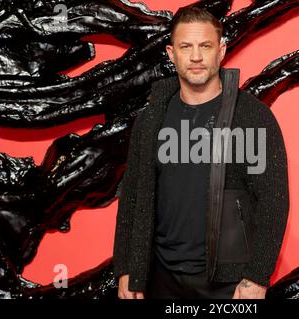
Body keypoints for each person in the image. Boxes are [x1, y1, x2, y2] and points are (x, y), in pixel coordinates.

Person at [113, 6, 289, 299]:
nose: (196, 56)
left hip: (227, 284)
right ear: (171, 54)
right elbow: (132, 198)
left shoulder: (252, 116)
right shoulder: (150, 119)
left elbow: (273, 202)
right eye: (186, 46)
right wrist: (128, 268)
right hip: (160, 278)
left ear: (221, 51)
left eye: (205, 46)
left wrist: (256, 277)